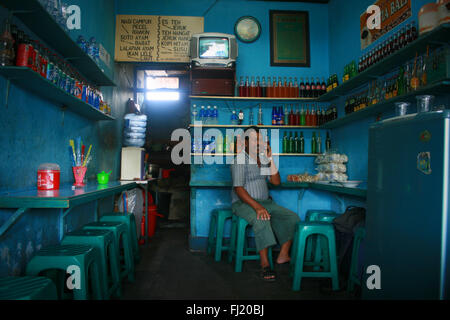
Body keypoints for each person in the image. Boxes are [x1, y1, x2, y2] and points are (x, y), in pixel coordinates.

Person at [230, 126, 301, 281]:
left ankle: (283, 254)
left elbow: (276, 182)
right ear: (246, 143)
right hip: (243, 203)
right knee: (261, 219)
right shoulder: (240, 160)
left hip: (265, 202)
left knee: (292, 218)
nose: (259, 142)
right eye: (255, 139)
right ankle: (265, 264)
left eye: (260, 139)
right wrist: (258, 207)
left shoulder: (262, 159)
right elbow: (239, 189)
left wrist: (270, 158)